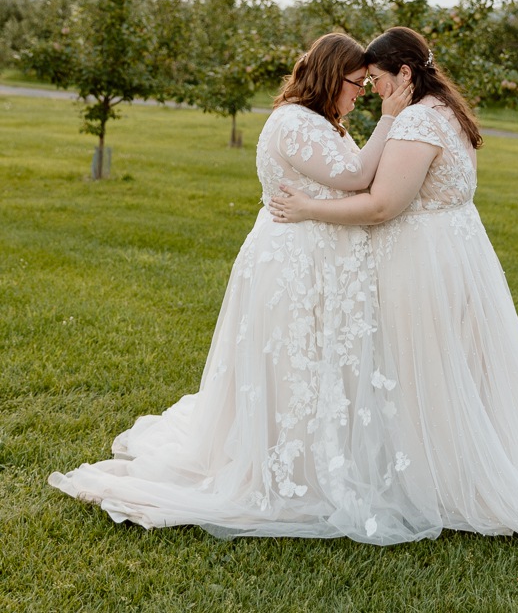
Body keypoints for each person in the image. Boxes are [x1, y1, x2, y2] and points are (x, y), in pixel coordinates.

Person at [271, 27, 518, 559]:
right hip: (457, 255)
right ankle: (449, 465)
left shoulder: (417, 121)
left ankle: (440, 480)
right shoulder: (449, 112)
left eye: (377, 81)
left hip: (422, 263)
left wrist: (310, 209)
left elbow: (383, 205)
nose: (372, 93)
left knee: (426, 370)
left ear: (404, 74)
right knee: (458, 369)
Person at [49, 33, 437, 544]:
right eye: (356, 83)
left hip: (317, 262)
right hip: (295, 266)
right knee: (292, 362)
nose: (362, 92)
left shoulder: (322, 123)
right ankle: (288, 469)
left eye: (368, 84)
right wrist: (392, 116)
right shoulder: (294, 123)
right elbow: (358, 176)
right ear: (328, 77)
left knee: (318, 363)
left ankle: (323, 453)